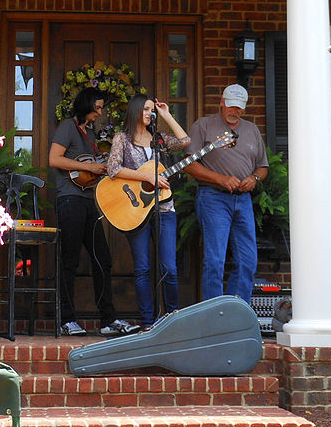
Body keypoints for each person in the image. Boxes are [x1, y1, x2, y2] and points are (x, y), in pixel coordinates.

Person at [49, 86, 139, 337]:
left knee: (103, 258)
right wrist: (82, 165)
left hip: (88, 200)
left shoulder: (90, 132)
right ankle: (66, 320)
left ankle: (107, 320)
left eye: (101, 108)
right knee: (69, 260)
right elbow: (54, 159)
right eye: (97, 108)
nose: (100, 112)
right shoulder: (68, 126)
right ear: (86, 105)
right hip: (69, 199)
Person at [106, 94, 190, 330]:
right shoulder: (122, 139)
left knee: (169, 268)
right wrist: (147, 176)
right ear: (134, 111)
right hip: (136, 210)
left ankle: (172, 319)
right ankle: (147, 323)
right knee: (142, 268)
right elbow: (113, 169)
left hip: (164, 208)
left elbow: (185, 142)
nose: (149, 113)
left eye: (152, 110)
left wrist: (166, 115)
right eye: (145, 109)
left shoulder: (159, 139)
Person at [184, 84, 268, 304]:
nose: (235, 111)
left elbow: (263, 166)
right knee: (215, 260)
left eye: (239, 108)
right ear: (221, 102)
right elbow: (189, 165)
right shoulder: (204, 125)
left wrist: (255, 178)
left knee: (248, 260)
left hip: (243, 200)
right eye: (231, 106)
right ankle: (214, 315)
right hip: (213, 197)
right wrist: (220, 179)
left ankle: (236, 312)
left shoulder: (251, 130)